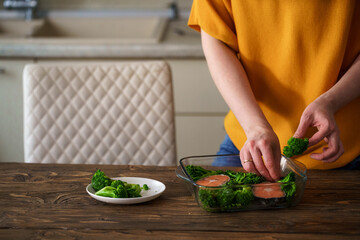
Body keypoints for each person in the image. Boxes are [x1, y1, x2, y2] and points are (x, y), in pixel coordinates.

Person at [188, 0, 360, 181]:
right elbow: (217, 42)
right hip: (248, 139)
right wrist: (255, 127)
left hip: (345, 146)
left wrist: (331, 101)